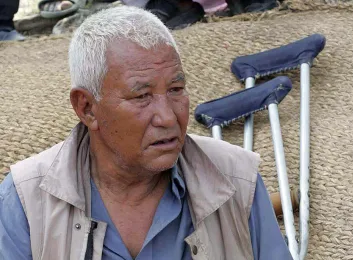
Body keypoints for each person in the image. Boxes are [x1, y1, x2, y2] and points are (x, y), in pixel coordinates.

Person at [0, 6, 292, 260]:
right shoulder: (26, 199)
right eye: (142, 96)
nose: (167, 118)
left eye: (176, 90)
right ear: (87, 108)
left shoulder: (236, 180)